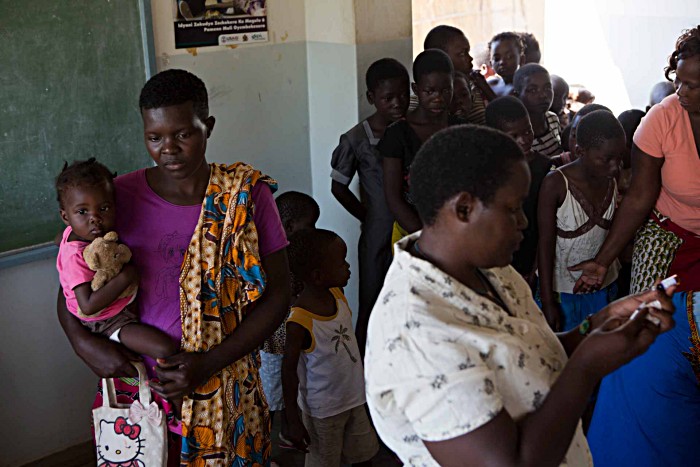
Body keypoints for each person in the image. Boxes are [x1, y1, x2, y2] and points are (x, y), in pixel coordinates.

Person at [365, 124, 675, 466]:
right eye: (513, 209)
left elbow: (525, 356)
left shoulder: (488, 268)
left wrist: (594, 326)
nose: (524, 222)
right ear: (464, 209)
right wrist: (586, 366)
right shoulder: (418, 331)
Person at [56, 69, 290, 466]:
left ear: (208, 127)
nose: (169, 149)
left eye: (184, 134)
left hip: (224, 382)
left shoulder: (245, 196)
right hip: (139, 384)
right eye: (154, 137)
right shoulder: (114, 199)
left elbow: (281, 291)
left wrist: (210, 362)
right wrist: (82, 343)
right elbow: (70, 286)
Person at [574, 27, 700, 466]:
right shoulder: (662, 119)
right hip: (669, 235)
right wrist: (603, 260)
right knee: (644, 339)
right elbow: (640, 196)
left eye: (695, 85)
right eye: (679, 80)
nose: (682, 91)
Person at [55, 158, 182, 409]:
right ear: (65, 216)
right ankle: (178, 408)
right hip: (108, 321)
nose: (95, 219)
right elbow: (87, 305)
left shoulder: (92, 237)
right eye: (82, 212)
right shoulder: (75, 254)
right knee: (164, 347)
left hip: (119, 311)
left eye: (104, 209)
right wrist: (126, 276)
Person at [331, 58, 409, 356]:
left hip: (410, 227)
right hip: (378, 232)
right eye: (388, 98)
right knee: (373, 300)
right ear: (371, 99)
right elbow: (338, 187)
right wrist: (368, 216)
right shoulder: (356, 139)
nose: (397, 103)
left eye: (403, 95)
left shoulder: (411, 130)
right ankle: (365, 368)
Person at [282, 229, 379, 466]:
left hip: (354, 398)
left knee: (363, 455)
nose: (348, 267)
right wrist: (293, 421)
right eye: (341, 262)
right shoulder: (300, 321)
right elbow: (288, 373)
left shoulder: (338, 295)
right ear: (317, 276)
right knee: (325, 461)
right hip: (323, 412)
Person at [538, 110, 625, 332]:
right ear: (580, 151)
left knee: (602, 346)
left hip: (604, 285)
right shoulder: (556, 183)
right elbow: (545, 244)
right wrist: (548, 302)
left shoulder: (612, 177)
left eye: (619, 158)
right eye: (606, 159)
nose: (615, 166)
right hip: (562, 291)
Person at [260, 191, 320, 454]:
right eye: (310, 225)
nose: (313, 231)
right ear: (289, 226)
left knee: (288, 390)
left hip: (289, 340)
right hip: (273, 343)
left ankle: (287, 432)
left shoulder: (293, 252)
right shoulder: (274, 256)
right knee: (272, 398)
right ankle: (266, 449)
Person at [379, 49, 457, 244]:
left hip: (456, 231)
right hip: (412, 232)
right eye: (429, 91)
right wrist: (427, 237)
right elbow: (393, 197)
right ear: (416, 89)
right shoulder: (398, 134)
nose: (438, 98)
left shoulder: (460, 129)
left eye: (445, 90)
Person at [485, 96, 551, 288]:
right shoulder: (488, 172)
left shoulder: (546, 167)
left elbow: (547, 228)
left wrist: (536, 268)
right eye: (513, 136)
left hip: (534, 254)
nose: (524, 140)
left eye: (528, 131)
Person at [422, 25, 497, 124]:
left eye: (468, 52)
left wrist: (484, 87)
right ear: (441, 58)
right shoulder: (425, 96)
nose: (470, 58)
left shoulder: (475, 83)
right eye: (462, 54)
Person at [513, 63, 562, 157]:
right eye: (533, 90)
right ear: (517, 95)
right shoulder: (518, 136)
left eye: (547, 88)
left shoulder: (553, 119)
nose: (543, 95)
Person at [487, 31, 525, 97]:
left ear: (521, 59)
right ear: (490, 63)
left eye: (509, 57)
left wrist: (485, 89)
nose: (502, 62)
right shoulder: (491, 85)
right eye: (497, 58)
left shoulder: (524, 88)